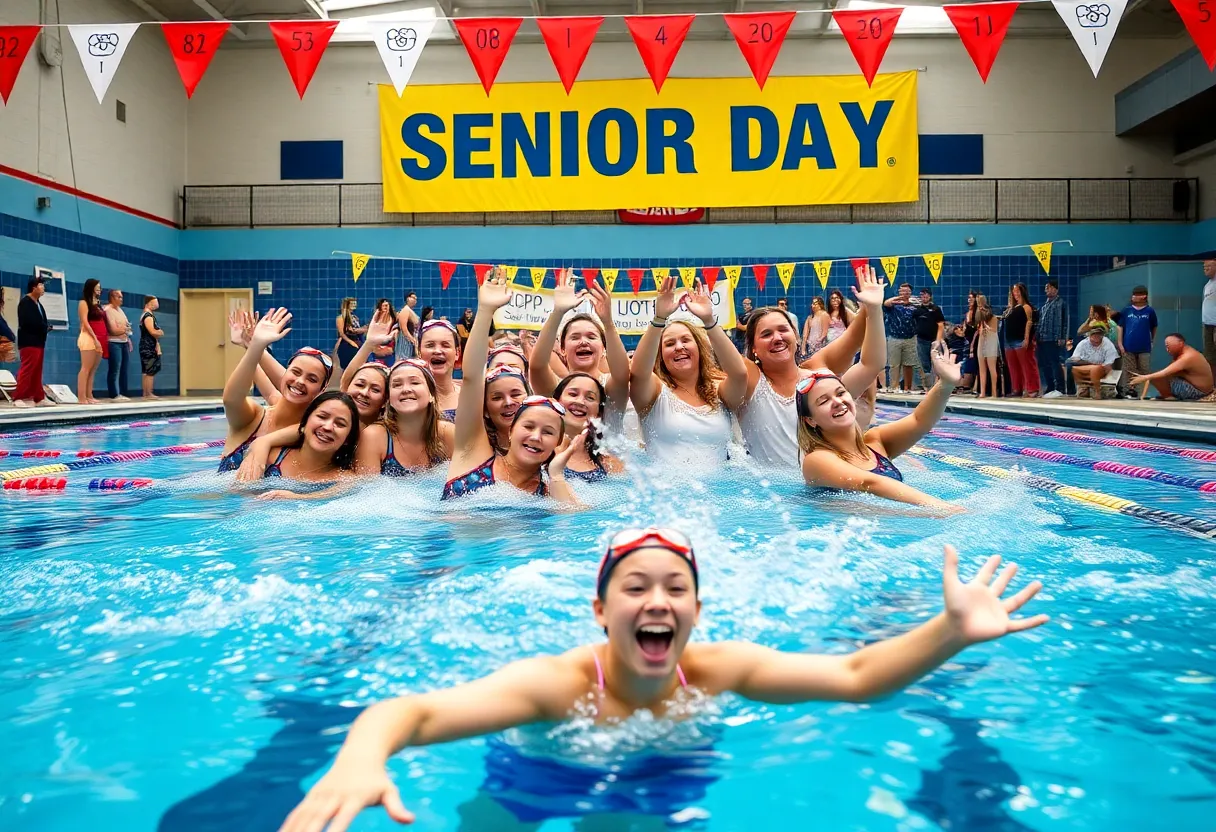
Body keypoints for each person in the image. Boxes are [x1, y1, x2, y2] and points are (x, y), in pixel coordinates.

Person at [279, 529, 1046, 832]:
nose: (657, 601)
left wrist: (948, 631)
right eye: (636, 586)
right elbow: (406, 712)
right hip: (536, 770)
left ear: (696, 610)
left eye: (675, 588)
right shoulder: (553, 686)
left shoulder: (719, 670)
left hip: (668, 766)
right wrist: (359, 758)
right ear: (600, 609)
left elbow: (854, 675)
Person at [444, 271, 584, 503]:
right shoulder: (473, 451)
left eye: (548, 432)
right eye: (528, 426)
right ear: (512, 430)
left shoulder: (549, 491)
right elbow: (471, 377)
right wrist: (485, 311)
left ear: (558, 442)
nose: (536, 437)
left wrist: (557, 475)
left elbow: (576, 525)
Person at [740, 265, 885, 468]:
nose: (777, 338)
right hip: (774, 493)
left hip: (829, 485)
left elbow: (871, 364)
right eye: (766, 334)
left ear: (797, 337)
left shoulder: (820, 380)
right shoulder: (747, 381)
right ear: (753, 348)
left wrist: (873, 308)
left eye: (783, 330)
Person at [799, 341, 963, 513]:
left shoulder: (875, 441)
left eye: (841, 393)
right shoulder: (817, 459)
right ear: (811, 420)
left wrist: (946, 384)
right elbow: (869, 483)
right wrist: (943, 509)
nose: (838, 402)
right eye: (824, 401)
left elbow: (919, 421)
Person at [630, 277, 750, 468]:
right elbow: (638, 372)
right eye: (669, 344)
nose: (679, 347)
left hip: (719, 494)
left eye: (686, 340)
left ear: (700, 349)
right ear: (660, 356)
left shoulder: (719, 392)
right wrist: (659, 319)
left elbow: (739, 374)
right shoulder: (654, 394)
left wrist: (709, 321)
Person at [218, 309, 332, 472]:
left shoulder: (317, 431)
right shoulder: (253, 418)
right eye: (296, 372)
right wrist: (255, 346)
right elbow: (231, 400)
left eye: (312, 379)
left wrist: (254, 347)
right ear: (286, 373)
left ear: (322, 389)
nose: (300, 381)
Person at [529, 269, 629, 427]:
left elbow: (623, 374)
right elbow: (537, 366)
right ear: (562, 349)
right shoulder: (558, 390)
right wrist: (558, 312)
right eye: (575, 337)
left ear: (604, 348)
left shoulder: (611, 386)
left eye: (591, 337)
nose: (583, 342)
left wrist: (608, 322)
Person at [234, 391, 360, 500]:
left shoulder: (345, 479)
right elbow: (238, 493)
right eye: (322, 417)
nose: (327, 427)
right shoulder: (269, 458)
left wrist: (296, 497)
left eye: (340, 424)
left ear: (347, 439)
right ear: (305, 422)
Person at [355, 358, 454, 477]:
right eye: (397, 385)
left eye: (415, 383)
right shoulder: (374, 437)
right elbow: (366, 491)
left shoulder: (447, 433)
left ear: (431, 395)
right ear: (389, 400)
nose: (406, 389)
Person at [553, 372, 625, 482]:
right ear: (556, 402)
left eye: (590, 398)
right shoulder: (538, 452)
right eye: (573, 394)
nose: (580, 402)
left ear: (598, 414)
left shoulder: (610, 464)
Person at [1129, 333, 1214, 401]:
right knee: (1161, 375)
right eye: (1166, 346)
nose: (1167, 349)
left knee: (1156, 377)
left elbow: (1166, 372)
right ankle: (1168, 395)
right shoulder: (1185, 352)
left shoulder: (1187, 357)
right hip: (1198, 388)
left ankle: (1169, 397)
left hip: (1198, 392)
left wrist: (1144, 378)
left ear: (1181, 343)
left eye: (1168, 345)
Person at [1112, 286, 1157, 399]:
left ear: (1144, 296)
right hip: (1128, 345)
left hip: (1144, 346)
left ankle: (1144, 392)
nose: (1133, 297)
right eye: (1133, 294)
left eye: (1136, 295)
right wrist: (1120, 344)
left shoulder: (1150, 311)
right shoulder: (1127, 310)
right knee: (1129, 369)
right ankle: (1130, 391)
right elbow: (1120, 327)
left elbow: (1154, 326)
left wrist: (1152, 340)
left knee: (1144, 369)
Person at [14, 276, 51, 408]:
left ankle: (38, 397)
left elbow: (40, 321)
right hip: (29, 342)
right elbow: (27, 322)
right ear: (33, 287)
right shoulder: (26, 302)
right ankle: (18, 397)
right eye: (41, 285)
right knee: (27, 369)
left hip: (39, 341)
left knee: (37, 371)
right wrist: (43, 327)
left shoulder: (38, 304)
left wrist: (46, 327)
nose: (43, 288)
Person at [418, 318, 462, 420]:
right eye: (430, 345)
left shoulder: (472, 397)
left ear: (457, 353)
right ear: (419, 352)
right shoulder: (409, 397)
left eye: (445, 345)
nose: (437, 351)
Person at [75, 279, 108, 404]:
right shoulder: (84, 303)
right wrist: (95, 338)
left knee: (93, 369)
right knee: (85, 368)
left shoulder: (98, 303)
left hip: (99, 338)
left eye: (100, 287)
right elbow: (85, 322)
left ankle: (89, 395)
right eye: (97, 287)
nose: (100, 289)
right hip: (89, 337)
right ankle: (81, 397)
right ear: (91, 288)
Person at [1003, 283, 1039, 398]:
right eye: (1014, 292)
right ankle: (1017, 388)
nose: (1015, 294)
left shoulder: (1026, 307)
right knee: (1014, 367)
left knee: (1027, 366)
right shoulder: (1012, 308)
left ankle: (1032, 389)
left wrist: (1027, 338)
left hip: (1020, 340)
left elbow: (1029, 322)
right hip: (1009, 341)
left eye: (1017, 291)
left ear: (1022, 292)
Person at [1065, 326, 1119, 400]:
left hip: (1102, 367)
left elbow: (1109, 364)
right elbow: (1074, 359)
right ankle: (1073, 391)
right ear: (1089, 335)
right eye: (1093, 334)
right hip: (1087, 365)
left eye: (1098, 334)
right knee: (1069, 364)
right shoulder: (1083, 343)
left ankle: (1097, 392)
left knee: (1095, 369)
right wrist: (1091, 364)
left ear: (1102, 335)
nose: (1096, 336)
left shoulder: (1108, 345)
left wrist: (1100, 368)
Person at [882, 282, 918, 392]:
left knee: (909, 364)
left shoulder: (914, 306)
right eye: (902, 291)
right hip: (894, 338)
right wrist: (899, 298)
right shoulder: (894, 305)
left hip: (910, 338)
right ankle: (894, 387)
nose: (904, 293)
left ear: (910, 292)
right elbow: (885, 303)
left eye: (907, 291)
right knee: (894, 365)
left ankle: (907, 387)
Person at [1036, 280, 1069, 399]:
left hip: (1053, 338)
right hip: (1042, 338)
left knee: (1055, 363)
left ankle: (1059, 387)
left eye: (1049, 288)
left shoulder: (1060, 303)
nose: (1046, 290)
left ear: (1055, 289)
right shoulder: (1045, 305)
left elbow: (1064, 322)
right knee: (1044, 364)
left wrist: (1062, 337)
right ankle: (1050, 386)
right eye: (1046, 288)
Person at [911, 286, 945, 392]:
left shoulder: (935, 309)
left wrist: (938, 340)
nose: (924, 296)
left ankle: (938, 385)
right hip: (921, 340)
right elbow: (914, 323)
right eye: (922, 295)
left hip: (933, 340)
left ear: (930, 296)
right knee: (925, 364)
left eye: (926, 294)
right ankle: (928, 387)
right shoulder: (917, 310)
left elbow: (941, 325)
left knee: (936, 363)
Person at [103, 289, 132, 401]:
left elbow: (126, 326)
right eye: (119, 297)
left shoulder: (120, 310)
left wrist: (127, 336)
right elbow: (113, 330)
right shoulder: (108, 310)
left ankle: (123, 393)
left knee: (124, 369)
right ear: (112, 298)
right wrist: (125, 330)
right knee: (115, 369)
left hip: (123, 342)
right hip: (113, 343)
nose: (121, 299)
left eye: (121, 297)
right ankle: (114, 394)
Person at [973, 294, 1000, 399]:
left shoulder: (993, 318)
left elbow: (994, 330)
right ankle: (983, 392)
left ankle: (994, 392)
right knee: (982, 369)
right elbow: (978, 329)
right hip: (982, 341)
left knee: (992, 368)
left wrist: (986, 327)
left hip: (991, 341)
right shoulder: (980, 319)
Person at [139, 296, 163, 399]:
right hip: (148, 346)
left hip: (148, 345)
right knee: (150, 370)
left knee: (147, 371)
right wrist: (160, 332)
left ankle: (146, 393)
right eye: (155, 302)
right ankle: (148, 393)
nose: (157, 304)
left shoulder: (148, 315)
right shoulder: (148, 316)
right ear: (149, 303)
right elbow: (152, 331)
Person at [335, 298, 364, 373]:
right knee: (347, 367)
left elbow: (357, 330)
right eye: (352, 303)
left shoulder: (354, 317)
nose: (355, 305)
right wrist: (351, 342)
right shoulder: (341, 318)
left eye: (355, 303)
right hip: (346, 344)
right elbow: (342, 333)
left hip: (357, 342)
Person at [371, 299, 396, 366]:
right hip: (377, 348)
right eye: (383, 305)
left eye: (387, 305)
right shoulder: (376, 321)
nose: (385, 307)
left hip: (390, 349)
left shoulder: (394, 319)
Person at [397, 291, 420, 359]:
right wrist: (412, 340)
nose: (415, 300)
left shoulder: (410, 310)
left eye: (416, 299)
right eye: (413, 298)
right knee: (404, 361)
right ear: (407, 299)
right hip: (405, 342)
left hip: (411, 341)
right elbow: (403, 328)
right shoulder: (405, 310)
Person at [1203, 259, 1216, 374]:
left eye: (1209, 266)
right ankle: (1212, 385)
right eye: (1204, 266)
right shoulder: (1207, 285)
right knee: (1209, 356)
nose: (1205, 269)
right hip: (1207, 324)